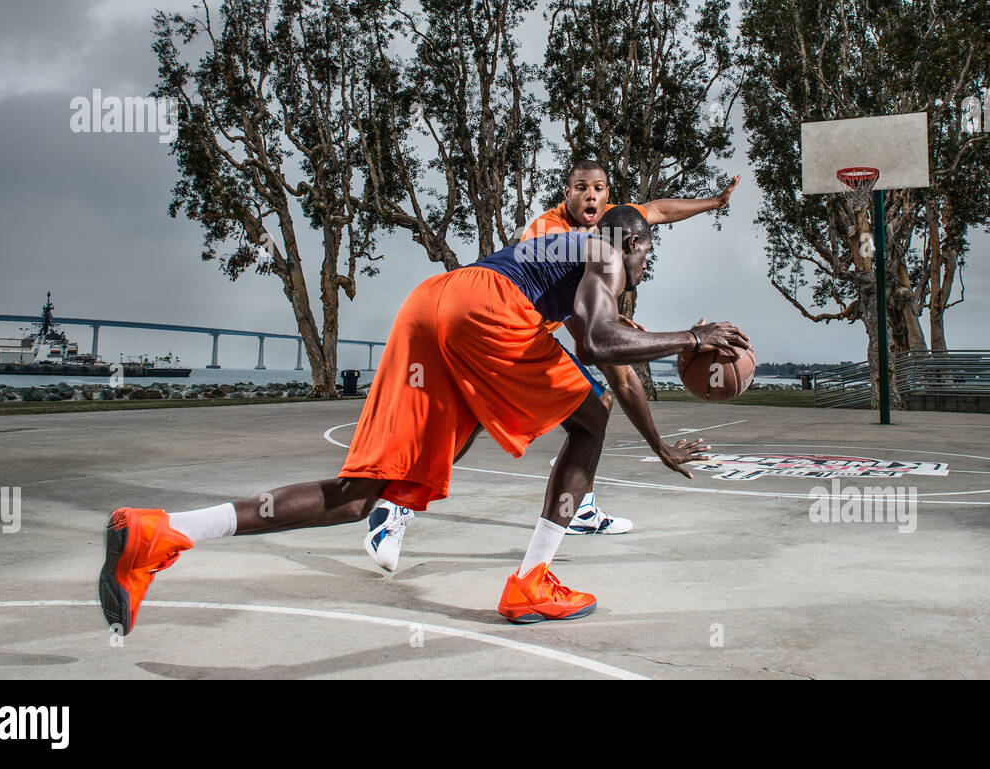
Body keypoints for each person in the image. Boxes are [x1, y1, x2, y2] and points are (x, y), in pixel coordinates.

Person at [100, 205, 749, 629]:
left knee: (361, 492)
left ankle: (160, 531)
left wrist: (660, 444)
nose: (640, 267)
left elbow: (615, 363)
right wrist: (693, 339)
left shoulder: (568, 261)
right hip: (485, 308)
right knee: (590, 417)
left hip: (433, 303)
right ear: (629, 239)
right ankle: (530, 580)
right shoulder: (605, 247)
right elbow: (601, 346)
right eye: (645, 255)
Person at [363, 159, 741, 570]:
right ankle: (405, 504)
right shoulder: (552, 233)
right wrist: (666, 340)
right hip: (508, 323)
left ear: (609, 198)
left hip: (481, 314)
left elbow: (660, 210)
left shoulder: (615, 227)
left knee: (536, 411)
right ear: (567, 194)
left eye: (599, 187)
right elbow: (594, 344)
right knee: (590, 408)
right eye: (581, 187)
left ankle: (571, 506)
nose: (591, 195)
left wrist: (714, 202)